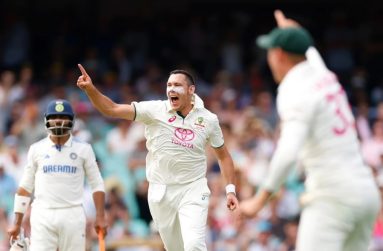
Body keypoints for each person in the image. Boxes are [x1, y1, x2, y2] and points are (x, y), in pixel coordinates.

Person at [240, 10, 381, 251]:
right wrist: (294, 30)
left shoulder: (293, 89)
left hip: (332, 198)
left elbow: (287, 151)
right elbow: (310, 53)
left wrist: (259, 199)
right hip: (366, 195)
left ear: (279, 54)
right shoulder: (323, 73)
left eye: (271, 51)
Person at [76, 65, 239, 251]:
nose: (171, 89)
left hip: (193, 188)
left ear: (191, 90)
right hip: (161, 191)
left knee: (194, 245)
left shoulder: (208, 120)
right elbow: (111, 109)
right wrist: (90, 89)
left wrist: (230, 190)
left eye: (177, 85)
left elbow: (224, 156)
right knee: (175, 248)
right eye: (169, 85)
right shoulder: (155, 110)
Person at [7, 99, 107, 251]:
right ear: (47, 120)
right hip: (43, 214)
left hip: (72, 214)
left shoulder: (84, 149)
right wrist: (17, 223)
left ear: (71, 120)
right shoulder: (36, 149)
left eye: (63, 117)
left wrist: (100, 216)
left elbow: (97, 184)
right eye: (54, 117)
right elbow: (25, 188)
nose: (58, 121)